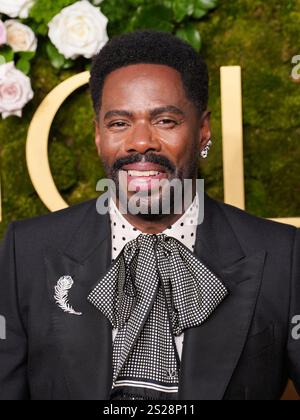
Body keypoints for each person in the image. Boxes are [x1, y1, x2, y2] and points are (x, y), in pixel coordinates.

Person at [0, 30, 299, 401]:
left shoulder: (284, 255)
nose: (141, 142)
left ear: (203, 130)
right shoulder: (25, 250)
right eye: (119, 123)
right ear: (97, 135)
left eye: (165, 121)